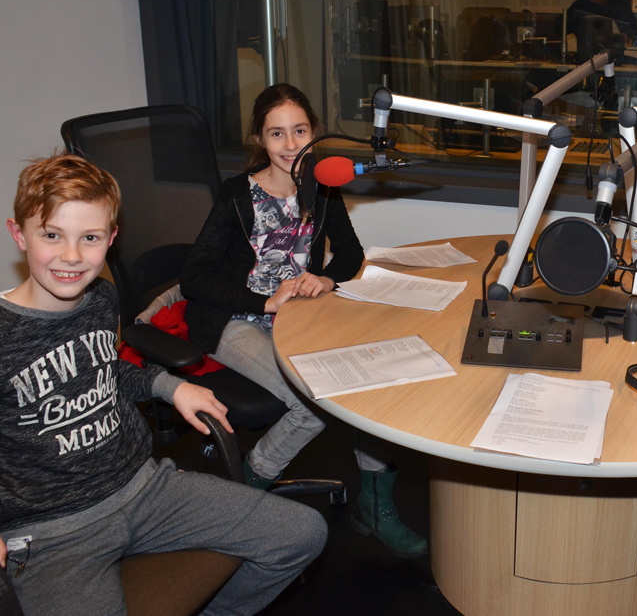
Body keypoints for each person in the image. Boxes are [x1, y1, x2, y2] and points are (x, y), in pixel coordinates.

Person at [0, 154, 327, 615]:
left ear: (111, 240)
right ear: (19, 235)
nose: (71, 257)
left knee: (303, 533)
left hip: (143, 489)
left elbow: (103, 372)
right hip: (53, 530)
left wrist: (168, 385)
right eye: (52, 235)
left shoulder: (99, 298)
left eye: (89, 238)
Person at [179, 83, 428, 559]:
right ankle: (244, 493)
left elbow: (351, 253)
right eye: (277, 134)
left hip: (300, 317)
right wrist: (265, 300)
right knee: (312, 404)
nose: (291, 144)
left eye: (299, 131)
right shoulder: (237, 196)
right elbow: (195, 277)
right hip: (235, 317)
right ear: (259, 138)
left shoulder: (324, 186)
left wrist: (326, 279)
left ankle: (374, 509)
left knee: (367, 389)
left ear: (314, 132)